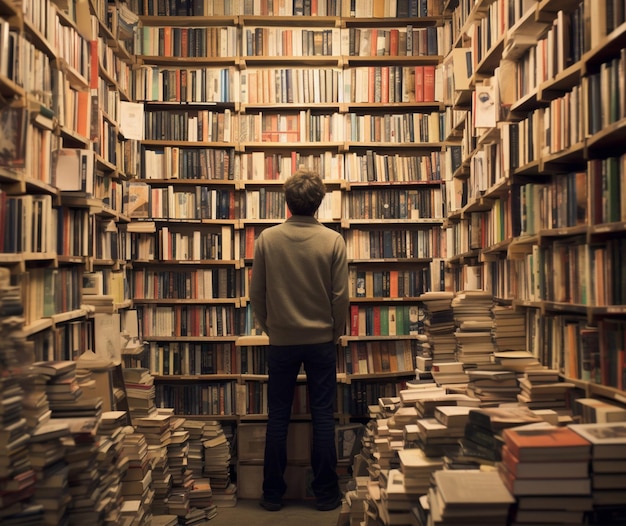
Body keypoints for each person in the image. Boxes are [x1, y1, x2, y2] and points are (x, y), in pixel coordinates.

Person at [249, 168, 349, 512]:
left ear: (287, 202)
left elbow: (257, 294)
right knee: (323, 416)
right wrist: (333, 332)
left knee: (277, 417)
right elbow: (340, 297)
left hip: (282, 340)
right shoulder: (333, 240)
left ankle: (272, 495)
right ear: (319, 203)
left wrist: (271, 328)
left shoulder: (267, 239)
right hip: (321, 339)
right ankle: (326, 495)